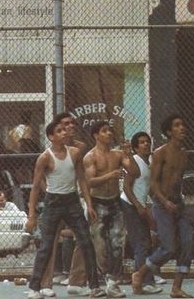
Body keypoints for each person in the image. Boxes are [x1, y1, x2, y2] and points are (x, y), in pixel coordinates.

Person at [25, 120, 106, 299]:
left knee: (86, 241)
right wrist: (31, 215)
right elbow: (36, 187)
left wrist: (89, 204)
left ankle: (94, 286)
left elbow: (82, 179)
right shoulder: (45, 157)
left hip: (72, 201)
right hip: (53, 202)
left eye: (65, 130)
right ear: (51, 137)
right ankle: (34, 287)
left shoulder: (75, 153)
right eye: (59, 131)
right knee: (45, 246)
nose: (64, 133)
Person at [131, 114, 193, 299]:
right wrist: (164, 201)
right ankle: (140, 274)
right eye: (177, 125)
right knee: (168, 248)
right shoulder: (160, 153)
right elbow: (153, 185)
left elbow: (178, 182)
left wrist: (177, 201)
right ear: (168, 132)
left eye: (183, 124)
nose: (182, 128)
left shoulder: (184, 154)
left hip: (178, 204)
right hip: (162, 204)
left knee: (187, 244)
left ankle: (177, 288)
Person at [83, 121, 139, 298]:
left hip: (114, 202)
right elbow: (89, 182)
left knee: (117, 243)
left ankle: (113, 282)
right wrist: (110, 176)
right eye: (104, 131)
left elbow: (135, 172)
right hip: (97, 202)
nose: (109, 134)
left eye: (109, 131)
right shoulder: (90, 157)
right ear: (96, 135)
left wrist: (129, 155)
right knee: (100, 246)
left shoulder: (118, 154)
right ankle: (100, 280)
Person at [40, 113, 90, 297]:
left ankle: (76, 280)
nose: (70, 127)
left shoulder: (80, 148)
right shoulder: (51, 152)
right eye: (65, 124)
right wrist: (50, 193)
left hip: (75, 199)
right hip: (56, 199)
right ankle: (45, 283)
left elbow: (81, 175)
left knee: (83, 237)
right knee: (50, 239)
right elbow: (40, 178)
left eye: (72, 124)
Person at [120, 131, 162, 295]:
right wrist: (137, 205)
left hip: (140, 205)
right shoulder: (134, 162)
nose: (146, 144)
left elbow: (148, 188)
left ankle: (147, 280)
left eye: (147, 142)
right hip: (130, 205)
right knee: (141, 245)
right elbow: (126, 187)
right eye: (142, 142)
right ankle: (143, 282)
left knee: (146, 243)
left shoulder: (148, 162)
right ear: (136, 147)